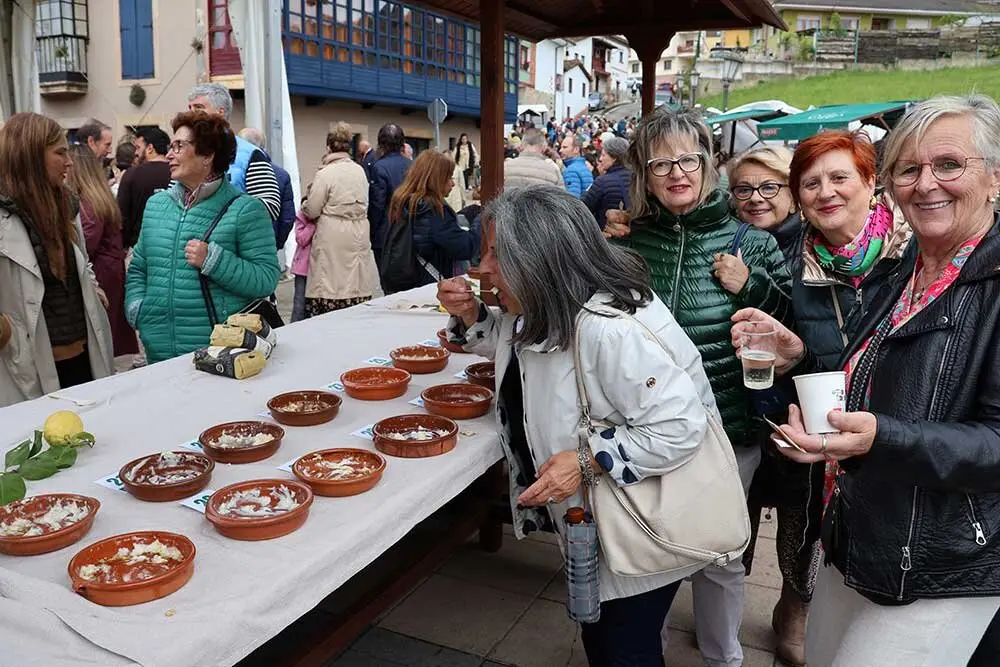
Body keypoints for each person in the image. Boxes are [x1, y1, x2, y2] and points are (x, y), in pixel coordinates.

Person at [733, 94, 1000, 667]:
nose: (927, 183)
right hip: (854, 528)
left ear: (995, 180)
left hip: (942, 558)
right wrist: (799, 357)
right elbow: (865, 377)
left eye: (949, 165)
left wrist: (882, 438)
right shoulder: (903, 270)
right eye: (910, 168)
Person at [437, 186, 717, 666]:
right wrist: (470, 316)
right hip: (599, 521)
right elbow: (512, 343)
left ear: (541, 258)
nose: (481, 267)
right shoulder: (551, 307)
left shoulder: (610, 327)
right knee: (602, 636)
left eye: (495, 254)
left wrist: (587, 460)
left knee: (624, 648)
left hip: (636, 526)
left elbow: (678, 427)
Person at [611, 108, 791, 667]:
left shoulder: (751, 242)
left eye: (687, 158)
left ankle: (723, 657)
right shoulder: (629, 240)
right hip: (645, 426)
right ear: (643, 173)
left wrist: (753, 284)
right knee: (651, 545)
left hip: (728, 425)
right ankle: (649, 650)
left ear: (711, 165)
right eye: (659, 162)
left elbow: (793, 331)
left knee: (720, 552)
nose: (675, 172)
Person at [125, 111, 280, 363]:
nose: (170, 154)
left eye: (179, 146)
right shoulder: (156, 205)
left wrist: (215, 260)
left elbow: (266, 278)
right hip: (158, 351)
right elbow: (139, 269)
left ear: (207, 155)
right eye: (170, 146)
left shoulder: (246, 209)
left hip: (219, 352)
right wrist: (138, 310)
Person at [0, 113, 113, 406]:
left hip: (84, 358)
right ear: (30, 156)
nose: (70, 161)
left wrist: (93, 288)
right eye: (59, 152)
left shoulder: (66, 205)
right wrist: (5, 332)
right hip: (25, 367)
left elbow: (82, 261)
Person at [66, 144, 138, 361]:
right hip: (110, 270)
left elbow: (86, 243)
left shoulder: (86, 202)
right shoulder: (99, 196)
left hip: (100, 273)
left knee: (102, 340)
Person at [300, 122, 378, 316]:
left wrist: (304, 204)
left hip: (332, 232)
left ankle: (329, 315)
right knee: (355, 280)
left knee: (329, 282)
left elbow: (313, 209)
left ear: (328, 147)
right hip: (359, 230)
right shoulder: (359, 171)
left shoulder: (325, 173)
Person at [384, 150, 479, 291]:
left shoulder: (404, 202)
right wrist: (480, 221)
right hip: (428, 286)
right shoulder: (432, 210)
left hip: (405, 282)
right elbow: (464, 247)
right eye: (449, 178)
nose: (453, 184)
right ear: (436, 179)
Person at [187, 83, 281, 223]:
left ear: (221, 112)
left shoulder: (250, 155)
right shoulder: (183, 152)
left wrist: (224, 222)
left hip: (233, 242)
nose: (191, 114)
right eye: (190, 108)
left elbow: (270, 206)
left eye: (199, 108)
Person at [238, 127, 296, 253]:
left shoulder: (233, 169)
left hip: (238, 242)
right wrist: (277, 243)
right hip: (267, 241)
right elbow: (287, 218)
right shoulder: (282, 175)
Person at [118, 127, 172, 250]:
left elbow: (122, 216)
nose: (135, 153)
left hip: (139, 247)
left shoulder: (131, 174)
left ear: (150, 148)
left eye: (138, 147)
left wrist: (124, 246)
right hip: (171, 247)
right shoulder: (179, 174)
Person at [368, 123, 412, 265]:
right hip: (410, 230)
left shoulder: (379, 167)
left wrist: (372, 231)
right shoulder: (412, 165)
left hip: (386, 233)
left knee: (388, 280)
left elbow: (377, 205)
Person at [581, 136, 631, 230]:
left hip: (608, 234)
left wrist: (587, 191)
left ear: (614, 158)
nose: (600, 158)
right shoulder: (637, 177)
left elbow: (583, 208)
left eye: (604, 155)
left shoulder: (602, 182)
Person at [560, 133, 594, 197]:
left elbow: (573, 199)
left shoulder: (571, 170)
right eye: (561, 147)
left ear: (576, 149)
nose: (560, 150)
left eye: (565, 147)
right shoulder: (584, 167)